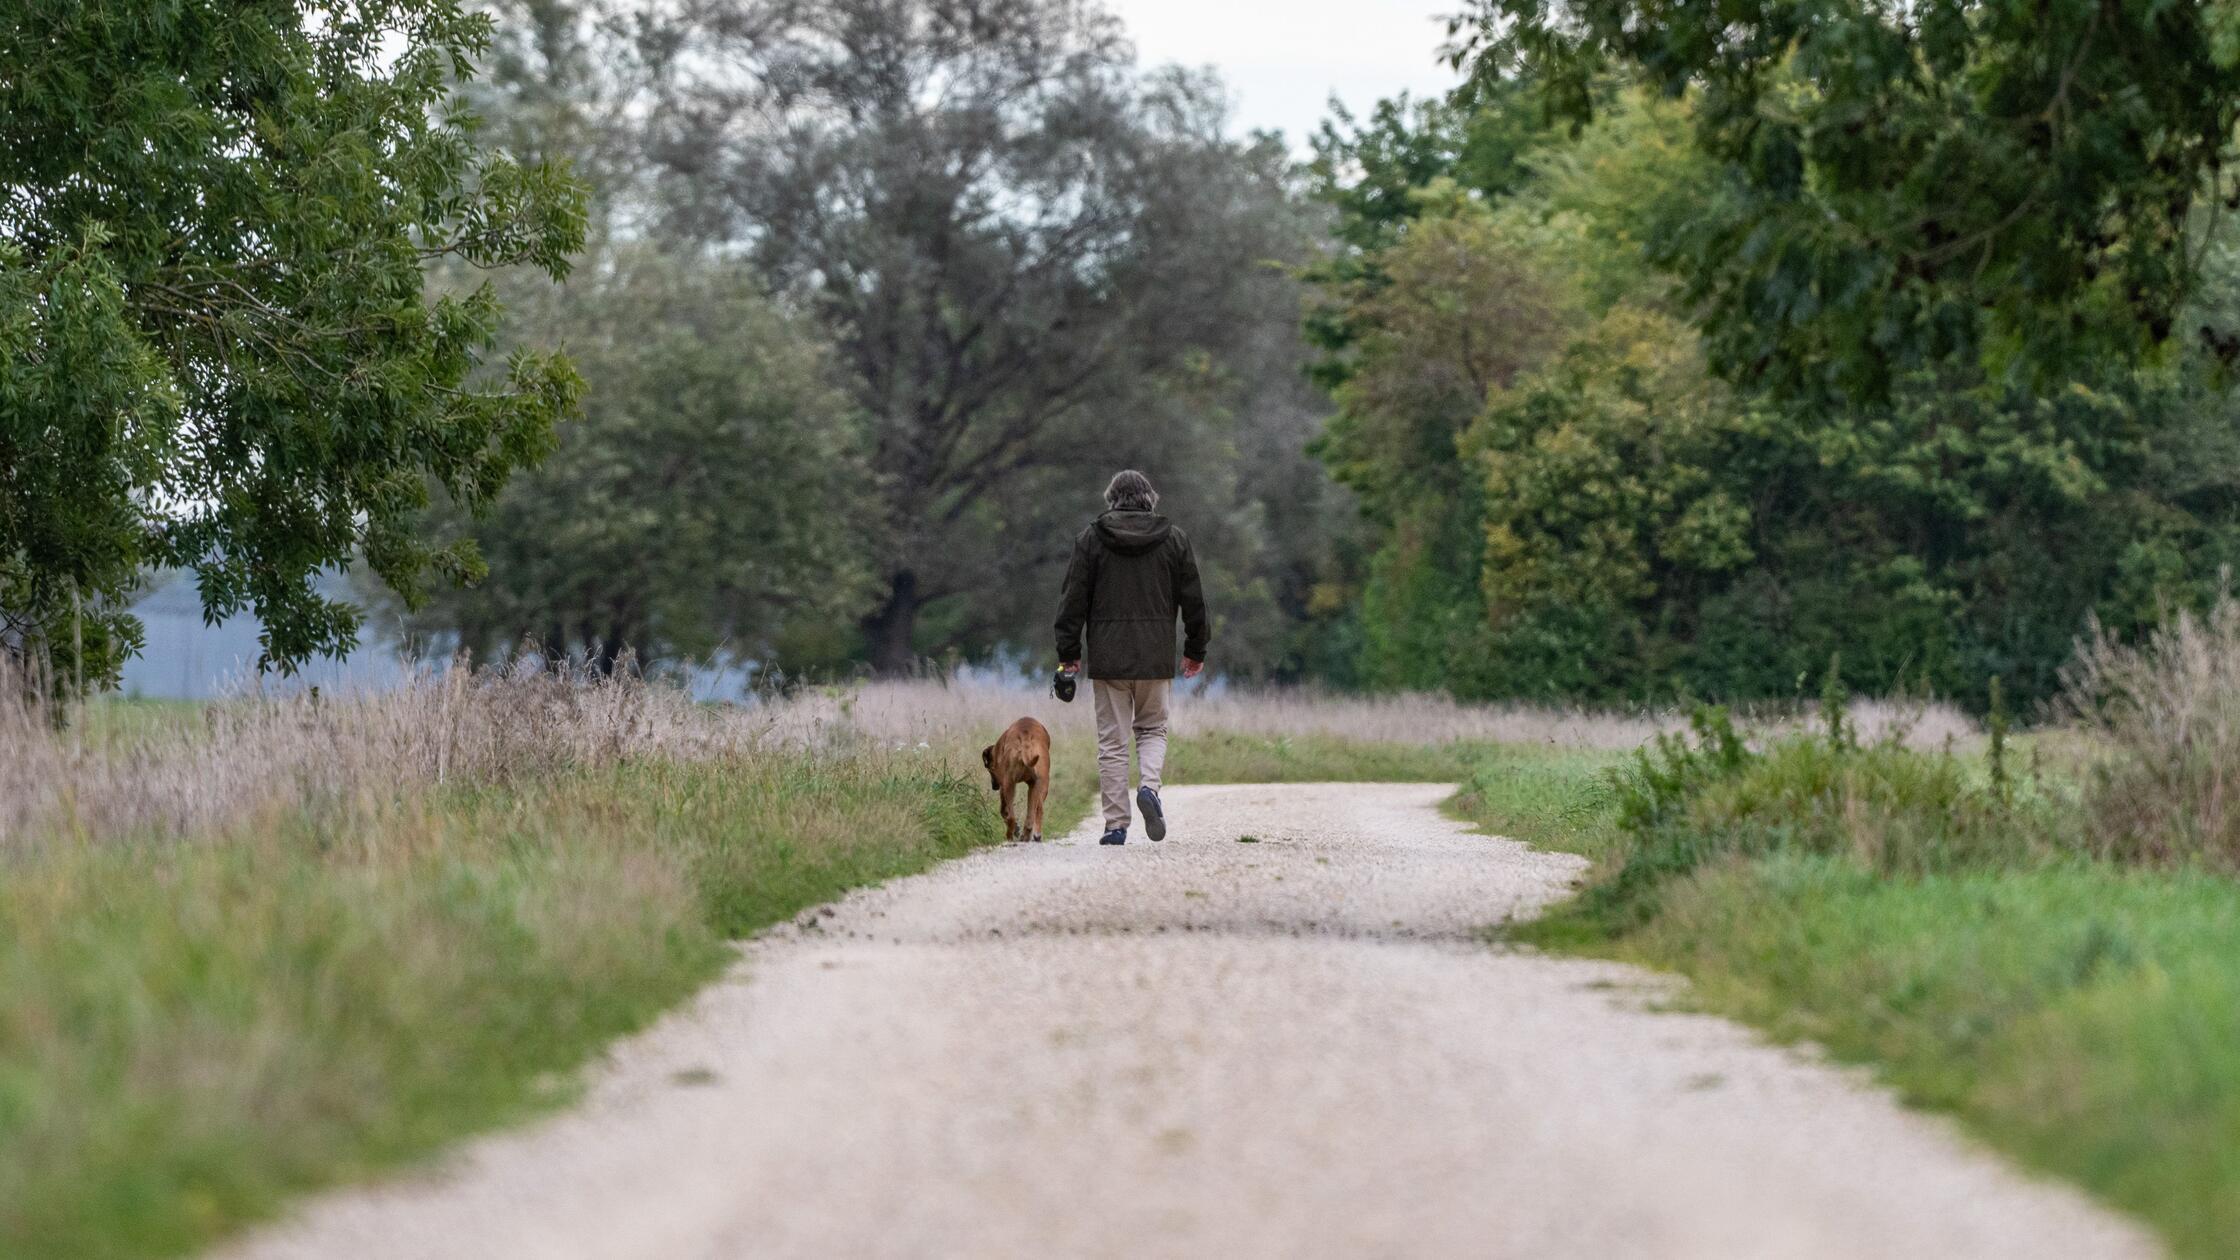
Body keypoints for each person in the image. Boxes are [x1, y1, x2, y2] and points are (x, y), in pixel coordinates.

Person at [1055, 470, 1209, 846]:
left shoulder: (1091, 540)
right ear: (1149, 499)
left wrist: (1068, 655)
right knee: (1153, 728)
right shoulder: (1174, 539)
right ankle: (1150, 789)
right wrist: (1195, 649)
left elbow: (1072, 600)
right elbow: (1194, 599)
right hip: (1154, 656)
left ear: (1112, 499)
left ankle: (1115, 825)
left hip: (1109, 659)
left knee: (1112, 742)